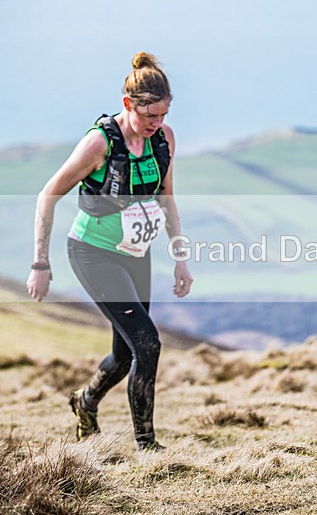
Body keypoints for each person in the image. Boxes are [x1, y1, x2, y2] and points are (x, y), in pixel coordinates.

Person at [26, 52, 193, 451]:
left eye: (163, 115)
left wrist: (180, 257)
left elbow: (167, 197)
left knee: (124, 354)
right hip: (93, 253)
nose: (156, 124)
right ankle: (147, 446)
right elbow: (47, 196)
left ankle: (85, 402)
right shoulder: (99, 143)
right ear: (127, 104)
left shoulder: (164, 139)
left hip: (136, 252)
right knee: (148, 343)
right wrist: (40, 263)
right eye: (149, 116)